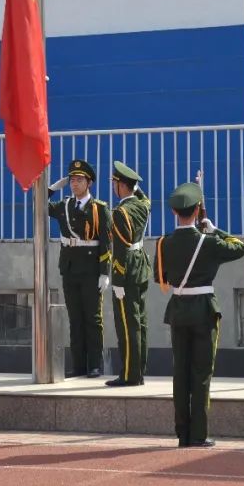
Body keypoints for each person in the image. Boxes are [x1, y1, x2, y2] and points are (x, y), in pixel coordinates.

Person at [152, 182, 244, 447]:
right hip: (203, 310)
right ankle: (199, 434)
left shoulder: (163, 244)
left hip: (179, 310)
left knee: (180, 373)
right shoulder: (209, 242)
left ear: (174, 212)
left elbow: (159, 277)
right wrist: (215, 229)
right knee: (201, 374)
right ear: (197, 211)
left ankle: (182, 434)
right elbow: (240, 248)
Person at [48, 159, 113, 378]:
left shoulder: (99, 209)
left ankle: (94, 364)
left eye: (79, 180)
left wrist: (105, 272)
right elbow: (39, 206)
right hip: (69, 267)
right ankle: (78, 365)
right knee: (75, 318)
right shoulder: (64, 206)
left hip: (91, 269)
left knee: (92, 319)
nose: (74, 184)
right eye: (72, 180)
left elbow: (106, 241)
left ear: (89, 183)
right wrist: (50, 189)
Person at [106, 161, 152, 387]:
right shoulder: (142, 206)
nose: (114, 187)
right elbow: (144, 197)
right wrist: (135, 184)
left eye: (115, 183)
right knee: (140, 323)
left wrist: (118, 280)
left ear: (122, 186)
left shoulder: (120, 212)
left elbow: (121, 250)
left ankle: (129, 375)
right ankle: (139, 370)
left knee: (126, 325)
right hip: (141, 267)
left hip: (128, 272)